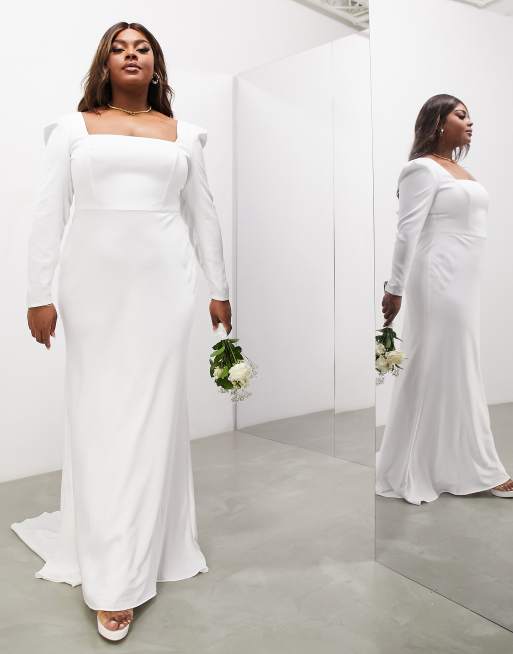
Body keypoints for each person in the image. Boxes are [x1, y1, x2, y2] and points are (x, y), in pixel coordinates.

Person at [11, 22, 232, 641]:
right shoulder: (73, 129)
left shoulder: (186, 135)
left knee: (152, 416)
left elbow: (203, 215)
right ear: (104, 64)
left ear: (156, 66)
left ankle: (133, 567)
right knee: (100, 417)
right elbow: (47, 213)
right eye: (119, 47)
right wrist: (38, 295)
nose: (131, 55)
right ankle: (107, 562)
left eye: (142, 48)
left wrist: (219, 288)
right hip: (92, 289)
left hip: (165, 288)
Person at [376, 93, 513, 506]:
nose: (469, 122)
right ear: (438, 122)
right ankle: (474, 466)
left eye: (469, 115)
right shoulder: (421, 169)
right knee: (443, 362)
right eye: (461, 115)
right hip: (437, 277)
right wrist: (394, 288)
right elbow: (407, 231)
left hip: (464, 279)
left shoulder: (459, 170)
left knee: (455, 365)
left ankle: (451, 463)